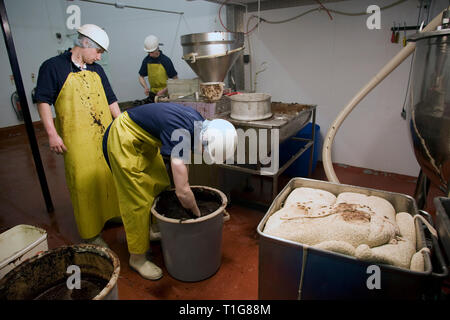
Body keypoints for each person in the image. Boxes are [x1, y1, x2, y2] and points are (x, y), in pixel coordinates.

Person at [102, 102, 237, 280]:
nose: (203, 153)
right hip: (124, 137)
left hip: (144, 142)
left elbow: (182, 164)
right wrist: (197, 214)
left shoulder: (198, 123)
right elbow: (182, 191)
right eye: (206, 150)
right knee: (137, 200)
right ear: (206, 140)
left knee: (161, 184)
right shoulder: (183, 131)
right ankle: (138, 257)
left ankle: (151, 229)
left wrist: (185, 185)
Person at [35, 24, 121, 247]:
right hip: (78, 140)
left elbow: (111, 100)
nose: (99, 57)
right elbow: (43, 101)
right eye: (98, 51)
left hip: (104, 136)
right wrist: (52, 134)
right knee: (83, 184)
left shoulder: (97, 70)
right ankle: (91, 232)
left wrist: (121, 125)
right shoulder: (53, 67)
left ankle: (111, 215)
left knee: (108, 177)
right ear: (84, 43)